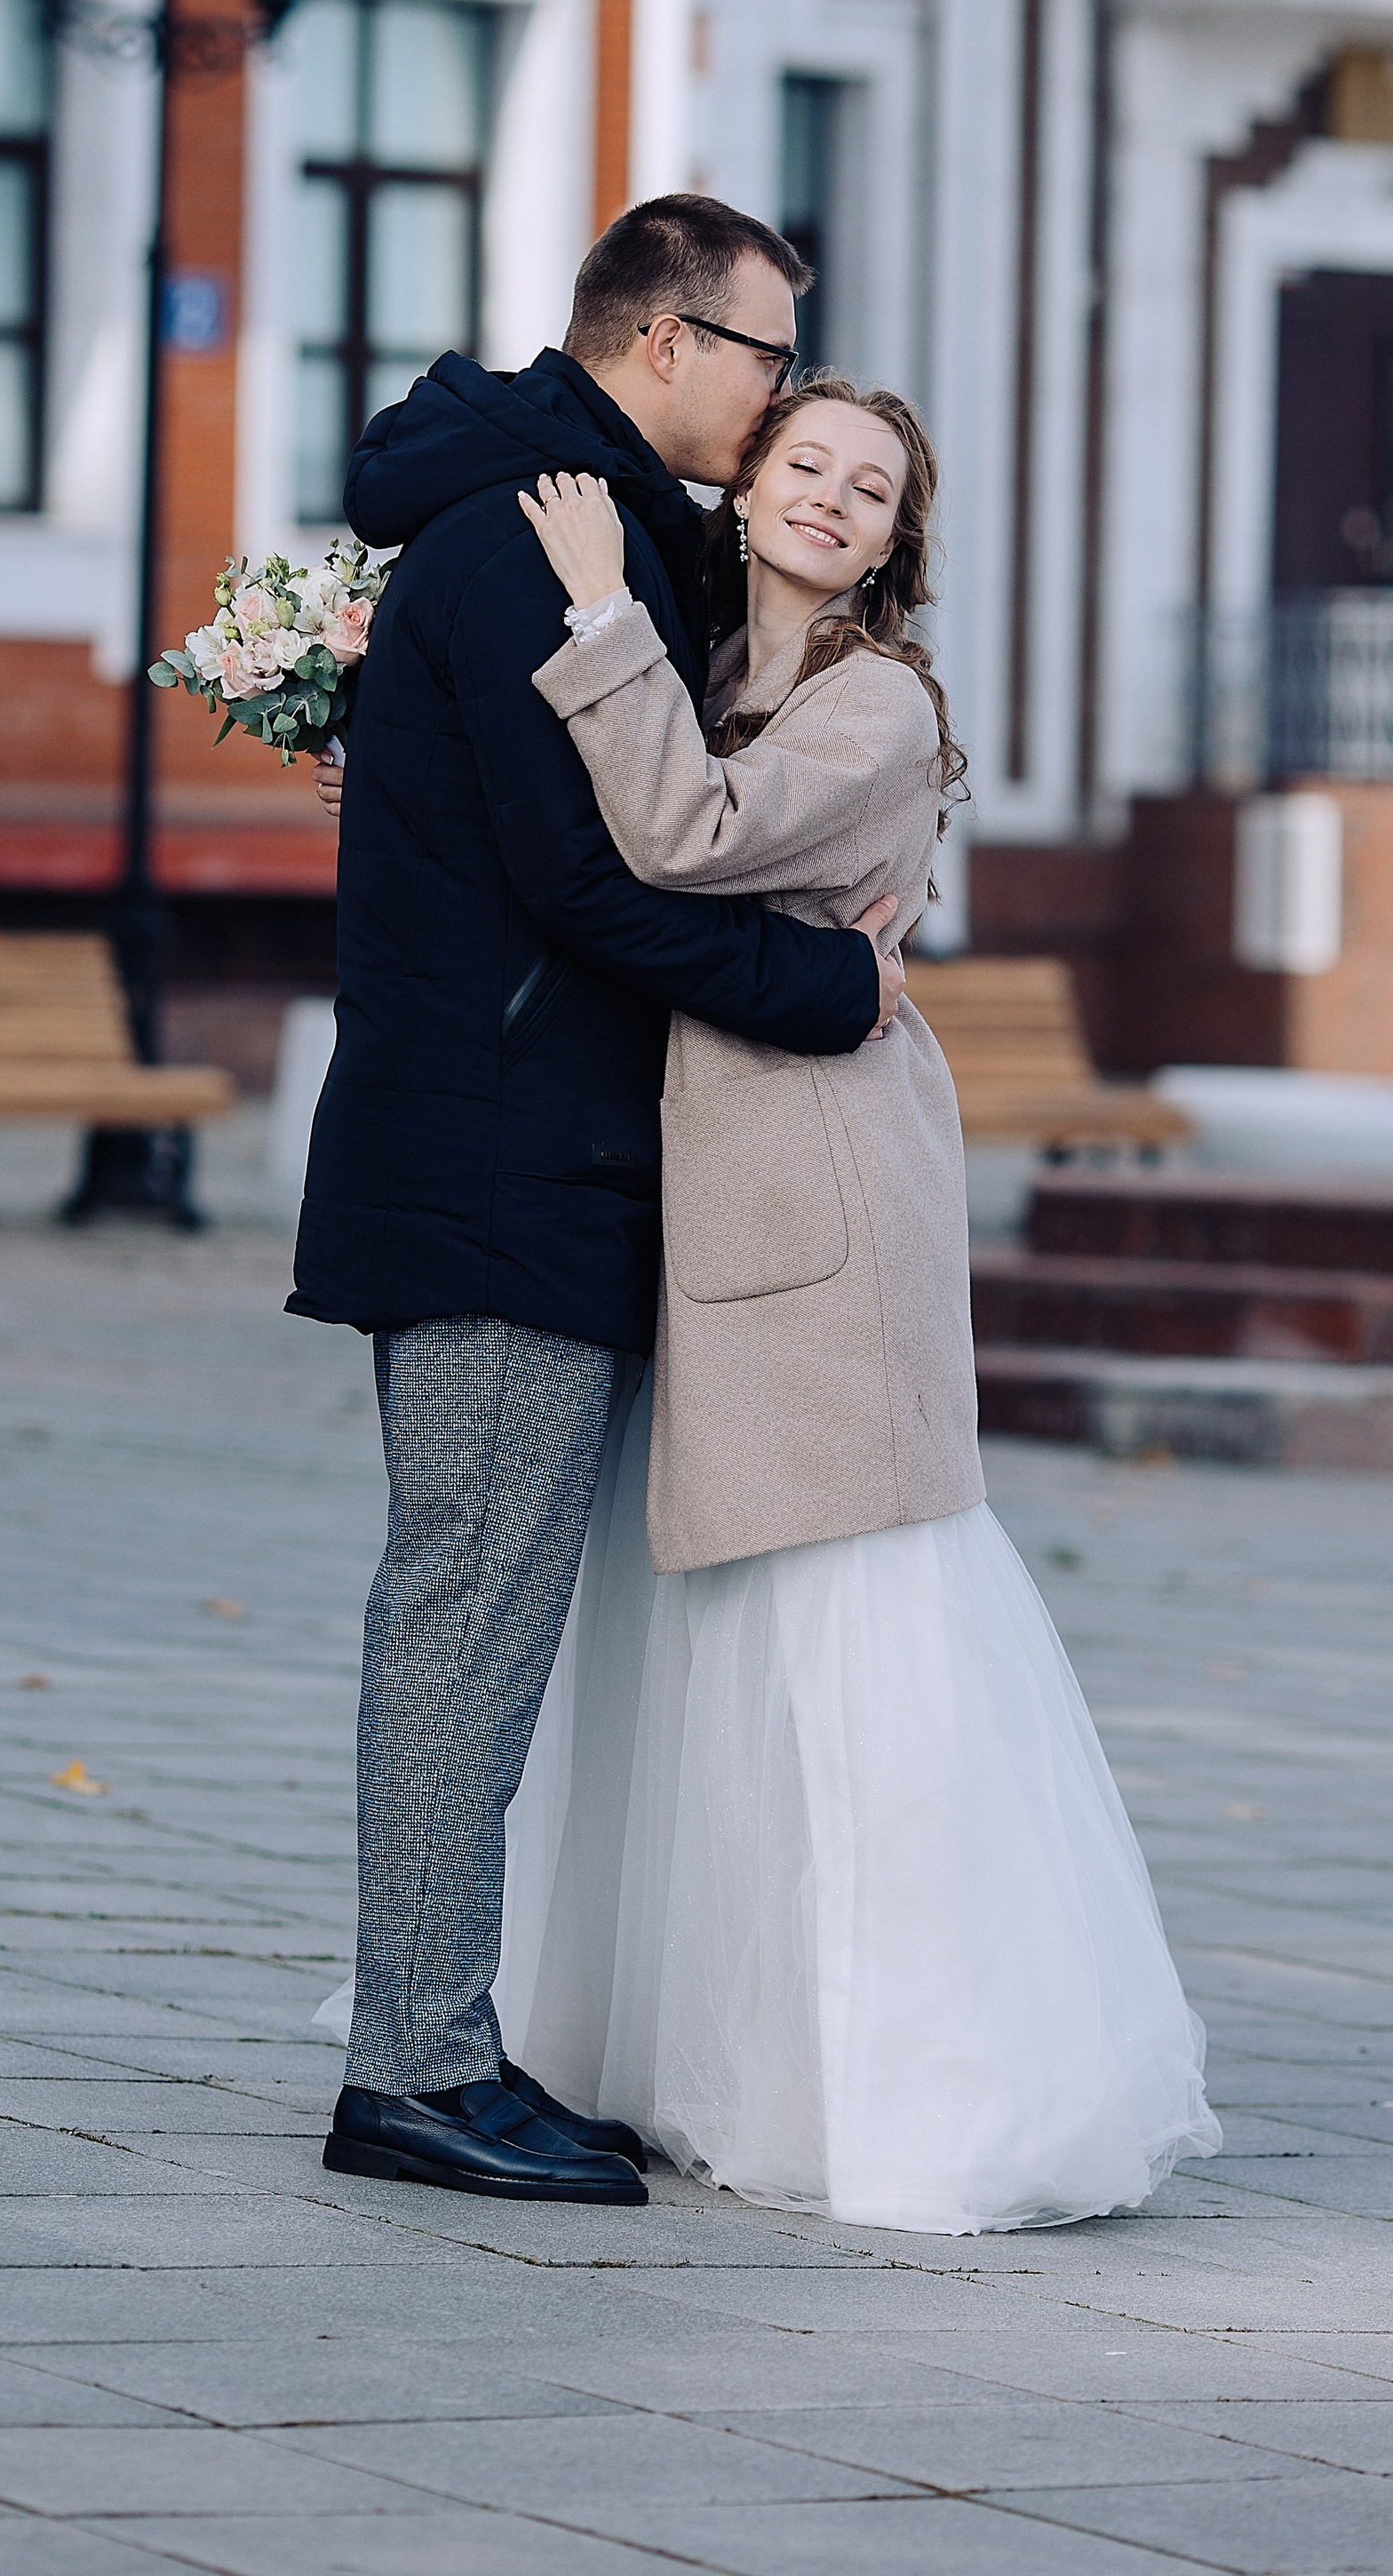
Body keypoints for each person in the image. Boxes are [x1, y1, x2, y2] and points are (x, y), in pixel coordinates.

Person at [493, 380, 1220, 2234]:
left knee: (846, 1616)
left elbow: (680, 834)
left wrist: (588, 610)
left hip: (821, 1203)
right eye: (801, 464)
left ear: (896, 540)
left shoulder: (873, 704)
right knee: (711, 1645)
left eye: (866, 489)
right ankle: (700, 2052)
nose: (825, 499)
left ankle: (920, 2079)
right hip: (711, 1200)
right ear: (742, 486)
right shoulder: (724, 662)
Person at [291, 196, 904, 2208]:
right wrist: (834, 985)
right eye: (761, 359)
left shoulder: (528, 516)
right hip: (491, 1155)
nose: (775, 395)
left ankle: (449, 2042)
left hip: (517, 1144)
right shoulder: (548, 536)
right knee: (461, 1611)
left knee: (480, 1609)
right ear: (666, 347)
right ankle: (413, 2070)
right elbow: (595, 885)